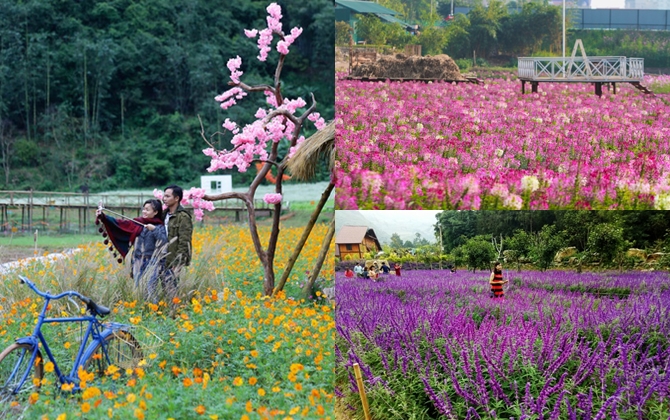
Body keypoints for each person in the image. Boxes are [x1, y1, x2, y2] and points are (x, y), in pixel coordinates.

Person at [96, 200, 167, 299]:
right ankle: (140, 309)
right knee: (138, 287)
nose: (144, 212)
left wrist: (154, 230)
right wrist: (103, 217)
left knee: (150, 288)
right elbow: (120, 224)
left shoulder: (159, 226)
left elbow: (163, 241)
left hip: (152, 262)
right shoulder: (137, 223)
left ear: (155, 212)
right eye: (144, 209)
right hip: (137, 261)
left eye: (147, 210)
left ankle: (153, 310)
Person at [147, 185, 193, 303]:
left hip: (172, 258)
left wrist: (178, 262)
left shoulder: (183, 217)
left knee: (170, 289)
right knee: (151, 286)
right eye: (164, 195)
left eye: (168, 196)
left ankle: (174, 313)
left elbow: (184, 241)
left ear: (176, 198)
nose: (164, 198)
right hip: (159, 257)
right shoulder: (163, 215)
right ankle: (156, 310)